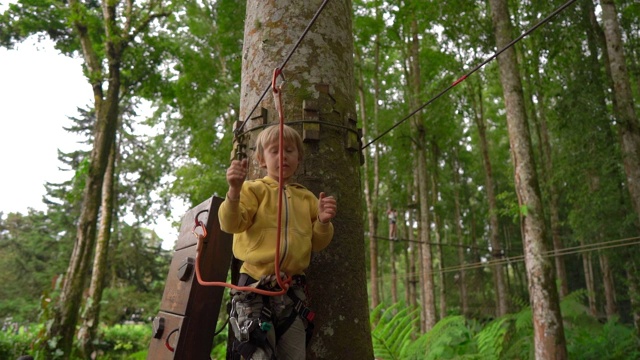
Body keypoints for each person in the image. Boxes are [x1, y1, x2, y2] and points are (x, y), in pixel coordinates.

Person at [219, 124, 337, 360]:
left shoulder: (307, 198)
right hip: (253, 288)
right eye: (275, 150)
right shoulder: (253, 190)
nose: (283, 155)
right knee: (257, 355)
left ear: (298, 159)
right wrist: (233, 192)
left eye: (290, 150)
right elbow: (231, 224)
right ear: (262, 160)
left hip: (291, 293)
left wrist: (323, 222)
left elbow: (317, 243)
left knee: (294, 355)